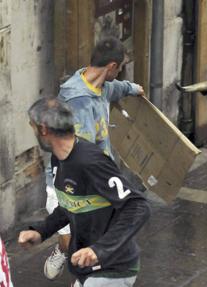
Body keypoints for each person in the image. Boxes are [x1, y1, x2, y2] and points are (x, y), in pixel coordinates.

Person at [19, 98, 150, 286]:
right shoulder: (59, 158)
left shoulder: (90, 161)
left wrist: (99, 250)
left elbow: (138, 206)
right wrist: (41, 231)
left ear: (43, 130)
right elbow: (69, 204)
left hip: (111, 268)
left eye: (32, 127)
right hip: (87, 269)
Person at [44, 37, 145, 280]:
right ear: (111, 66)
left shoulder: (102, 87)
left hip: (96, 179)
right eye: (119, 68)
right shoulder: (77, 100)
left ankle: (83, 275)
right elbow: (82, 152)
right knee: (73, 237)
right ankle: (63, 251)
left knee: (93, 237)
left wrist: (134, 88)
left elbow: (118, 88)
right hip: (70, 179)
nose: (118, 72)